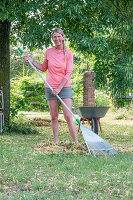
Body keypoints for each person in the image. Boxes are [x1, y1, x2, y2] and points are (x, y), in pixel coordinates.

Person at [24, 28, 78, 144]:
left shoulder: (68, 53)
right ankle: (56, 142)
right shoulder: (49, 51)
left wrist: (59, 88)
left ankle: (76, 142)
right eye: (54, 37)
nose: (57, 39)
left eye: (59, 36)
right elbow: (44, 68)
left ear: (63, 37)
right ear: (52, 39)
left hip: (64, 87)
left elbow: (68, 73)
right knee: (54, 116)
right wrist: (31, 61)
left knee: (68, 116)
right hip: (50, 87)